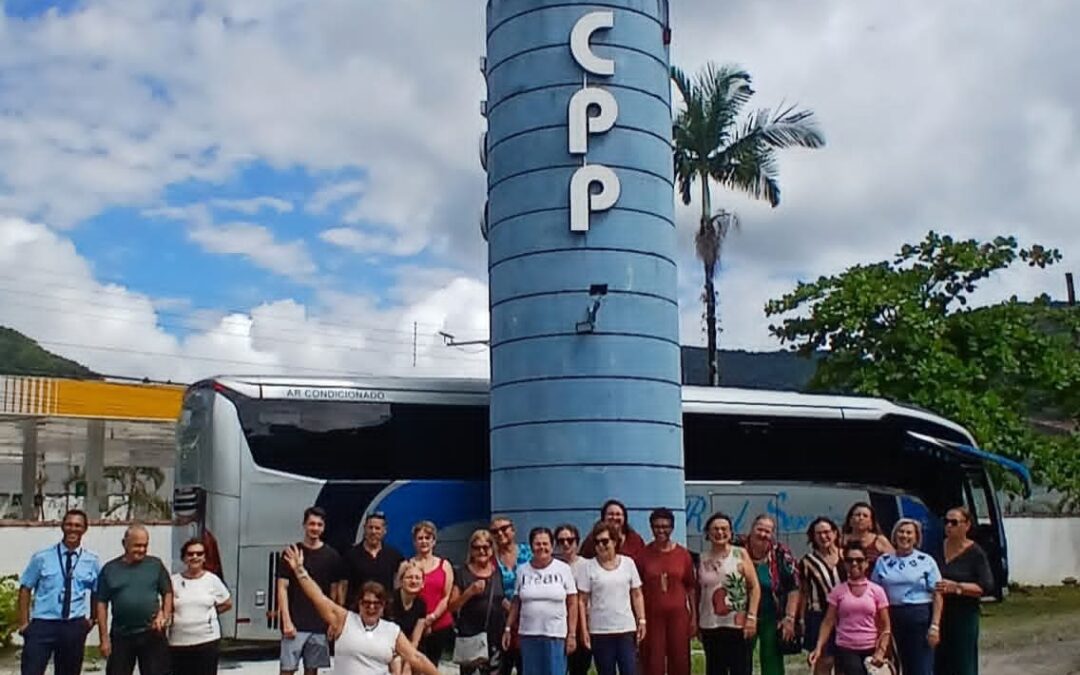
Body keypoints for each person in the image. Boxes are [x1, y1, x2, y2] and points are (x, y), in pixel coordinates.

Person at [279, 544, 443, 675]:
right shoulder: (344, 620)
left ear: (383, 605)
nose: (371, 607)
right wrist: (300, 571)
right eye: (366, 603)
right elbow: (318, 597)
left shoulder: (392, 631)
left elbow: (416, 657)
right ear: (359, 604)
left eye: (376, 604)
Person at [17, 509, 101, 675]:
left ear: (85, 529)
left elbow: (97, 591)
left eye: (78, 525)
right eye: (69, 524)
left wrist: (92, 619)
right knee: (31, 670)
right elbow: (25, 588)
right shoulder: (42, 558)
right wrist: (24, 623)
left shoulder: (91, 560)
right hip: (43, 624)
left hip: (73, 625)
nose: (73, 529)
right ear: (63, 527)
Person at [95, 523, 173, 675]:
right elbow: (101, 604)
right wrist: (104, 639)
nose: (142, 550)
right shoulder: (110, 569)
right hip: (122, 635)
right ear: (125, 544)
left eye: (145, 545)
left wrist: (164, 614)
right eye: (137, 545)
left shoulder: (155, 565)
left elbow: (167, 592)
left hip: (151, 634)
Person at [277, 506, 346, 675]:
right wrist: (286, 621)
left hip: (319, 626)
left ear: (323, 527)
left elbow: (335, 592)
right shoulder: (291, 553)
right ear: (304, 525)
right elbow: (282, 588)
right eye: (311, 524)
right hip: (294, 625)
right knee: (287, 670)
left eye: (319, 524)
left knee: (312, 671)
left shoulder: (332, 556)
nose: (315, 528)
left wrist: (332, 621)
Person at [870, 518, 942, 675]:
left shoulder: (926, 561)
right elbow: (875, 591)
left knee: (920, 666)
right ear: (894, 536)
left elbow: (937, 594)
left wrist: (935, 626)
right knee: (895, 664)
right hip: (891, 616)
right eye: (901, 532)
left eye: (909, 533)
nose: (904, 536)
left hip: (919, 616)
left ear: (916, 537)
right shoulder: (883, 561)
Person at [502, 527, 578, 675]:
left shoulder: (563, 569)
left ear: (552, 546)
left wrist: (572, 634)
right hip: (529, 635)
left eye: (545, 543)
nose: (541, 547)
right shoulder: (522, 570)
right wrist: (508, 628)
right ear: (531, 547)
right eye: (537, 544)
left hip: (555, 634)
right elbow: (516, 602)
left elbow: (572, 603)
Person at [808, 542, 891, 675]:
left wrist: (881, 650)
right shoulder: (838, 591)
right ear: (845, 564)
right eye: (849, 560)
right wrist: (818, 648)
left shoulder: (877, 591)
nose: (854, 564)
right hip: (845, 648)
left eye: (859, 560)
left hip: (871, 648)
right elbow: (828, 621)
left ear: (866, 563)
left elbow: (885, 625)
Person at [578, 522, 646, 675]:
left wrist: (642, 620)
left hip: (626, 630)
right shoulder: (588, 566)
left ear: (614, 542)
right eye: (597, 542)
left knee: (629, 670)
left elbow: (637, 594)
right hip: (600, 631)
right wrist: (584, 630)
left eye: (605, 541)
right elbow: (582, 601)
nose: (601, 546)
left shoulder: (628, 563)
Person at [697, 512, 760, 675]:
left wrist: (752, 617)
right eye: (715, 529)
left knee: (740, 669)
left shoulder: (741, 554)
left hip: (738, 625)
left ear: (731, 532)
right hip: (710, 624)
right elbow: (698, 592)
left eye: (724, 529)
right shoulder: (701, 559)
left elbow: (754, 587)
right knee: (715, 670)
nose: (720, 533)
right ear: (707, 533)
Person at [934, 506, 994, 675]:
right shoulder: (937, 547)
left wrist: (956, 587)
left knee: (962, 662)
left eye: (954, 522)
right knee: (940, 662)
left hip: (963, 614)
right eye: (946, 522)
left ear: (967, 525)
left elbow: (986, 586)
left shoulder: (976, 553)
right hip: (939, 613)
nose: (949, 526)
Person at [636, 508, 696, 675]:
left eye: (665, 526)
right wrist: (639, 618)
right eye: (657, 527)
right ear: (651, 527)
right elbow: (636, 589)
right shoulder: (643, 555)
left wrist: (694, 618)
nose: (661, 530)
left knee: (680, 660)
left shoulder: (683, 555)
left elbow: (691, 587)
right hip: (652, 615)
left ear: (672, 528)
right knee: (653, 661)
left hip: (678, 616)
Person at [744, 514, 800, 675]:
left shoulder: (781, 553)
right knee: (740, 659)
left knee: (772, 661)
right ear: (751, 529)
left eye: (767, 531)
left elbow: (793, 587)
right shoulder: (737, 550)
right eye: (759, 529)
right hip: (742, 615)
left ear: (772, 534)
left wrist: (789, 619)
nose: (763, 534)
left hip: (772, 616)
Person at [168, 537, 233, 675]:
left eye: (199, 553)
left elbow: (227, 603)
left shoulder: (212, 580)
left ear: (204, 558)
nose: (195, 557)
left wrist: (208, 615)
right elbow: (167, 607)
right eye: (190, 554)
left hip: (207, 641)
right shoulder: (173, 581)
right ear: (184, 558)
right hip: (179, 643)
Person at [449, 529, 507, 675]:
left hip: (495, 637)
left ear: (491, 549)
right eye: (477, 547)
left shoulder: (497, 572)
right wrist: (469, 593)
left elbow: (501, 599)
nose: (481, 551)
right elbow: (452, 606)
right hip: (471, 636)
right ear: (471, 550)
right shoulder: (462, 573)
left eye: (485, 547)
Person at [799, 517, 843, 675]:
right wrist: (801, 619)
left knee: (844, 661)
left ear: (835, 533)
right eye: (818, 534)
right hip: (819, 615)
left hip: (847, 615)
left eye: (827, 532)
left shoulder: (848, 557)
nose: (823, 537)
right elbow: (803, 592)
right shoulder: (807, 562)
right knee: (824, 659)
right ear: (813, 537)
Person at [408, 520, 455, 664]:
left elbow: (447, 596)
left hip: (440, 624)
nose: (424, 542)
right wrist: (422, 622)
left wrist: (432, 618)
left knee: (433, 665)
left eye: (427, 538)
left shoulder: (444, 565)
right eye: (420, 538)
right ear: (414, 542)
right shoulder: (407, 565)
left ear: (434, 541)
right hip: (414, 624)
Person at [492, 515, 532, 675]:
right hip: (500, 620)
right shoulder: (490, 558)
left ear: (513, 530)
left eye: (504, 529)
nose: (500, 533)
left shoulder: (527, 552)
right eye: (495, 531)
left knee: (526, 667)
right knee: (502, 668)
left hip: (527, 619)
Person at [345, 512, 405, 608]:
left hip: (385, 612)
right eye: (370, 527)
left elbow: (398, 587)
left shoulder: (394, 556)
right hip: (357, 612)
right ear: (364, 528)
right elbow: (343, 587)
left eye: (377, 528)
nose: (373, 531)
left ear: (384, 530)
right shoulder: (351, 555)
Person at [555, 523, 592, 675]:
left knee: (579, 668)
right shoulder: (553, 566)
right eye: (561, 541)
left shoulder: (587, 565)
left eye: (570, 540)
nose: (566, 544)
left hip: (582, 624)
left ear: (577, 541)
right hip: (558, 624)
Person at [385, 562, 428, 675]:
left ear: (423, 583)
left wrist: (409, 661)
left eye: (417, 578)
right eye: (409, 577)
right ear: (401, 581)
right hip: (386, 647)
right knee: (397, 663)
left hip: (408, 648)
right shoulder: (389, 601)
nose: (413, 581)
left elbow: (415, 640)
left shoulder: (421, 605)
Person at [581, 500, 647, 558]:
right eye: (610, 514)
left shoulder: (635, 540)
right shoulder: (592, 539)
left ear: (624, 517)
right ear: (603, 517)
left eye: (618, 514)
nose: (614, 517)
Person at [841, 503, 894, 571]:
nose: (861, 518)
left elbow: (895, 562)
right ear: (850, 520)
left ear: (871, 523)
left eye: (865, 516)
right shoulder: (841, 540)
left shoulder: (880, 540)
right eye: (858, 515)